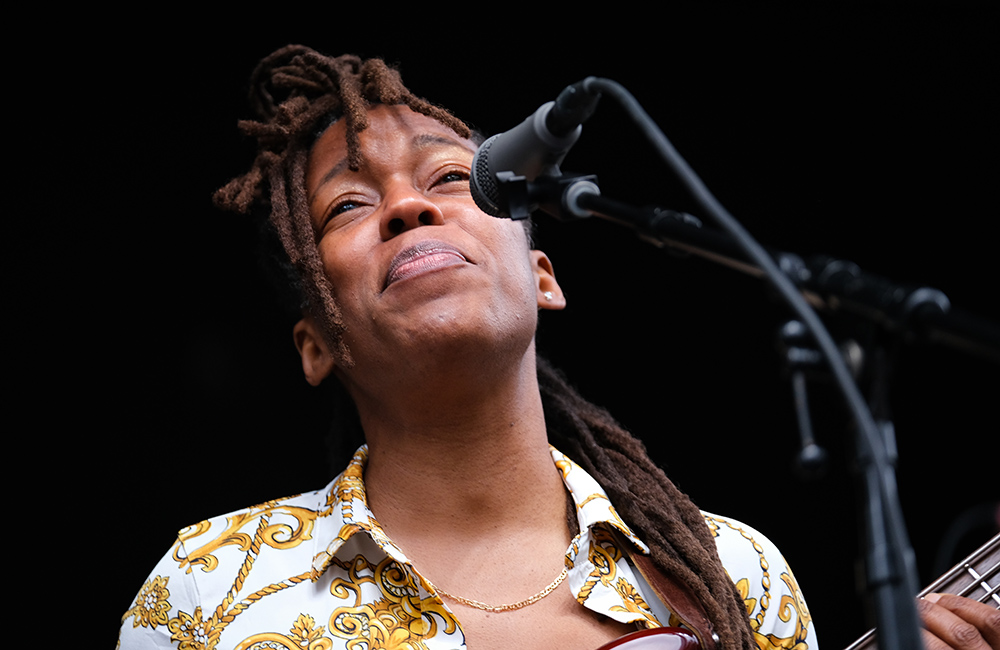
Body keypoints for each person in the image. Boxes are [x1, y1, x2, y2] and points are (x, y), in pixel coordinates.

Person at [118, 45, 996, 650]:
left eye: (452, 178)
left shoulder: (731, 573)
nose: (407, 206)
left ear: (542, 275)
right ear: (315, 346)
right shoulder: (211, 587)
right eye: (347, 205)